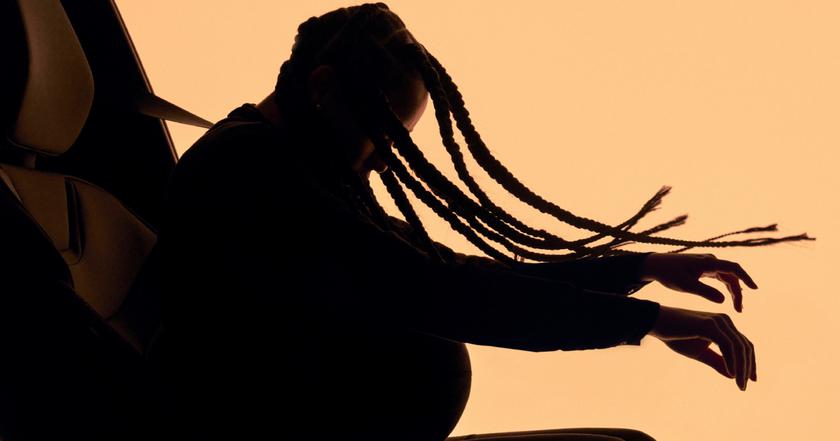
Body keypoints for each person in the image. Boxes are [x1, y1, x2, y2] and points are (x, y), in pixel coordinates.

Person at [153, 3, 812, 440]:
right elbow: (443, 292)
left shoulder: (308, 172)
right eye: (381, 135)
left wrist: (638, 269)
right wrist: (648, 321)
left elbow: (458, 272)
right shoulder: (252, 170)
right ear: (323, 88)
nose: (383, 160)